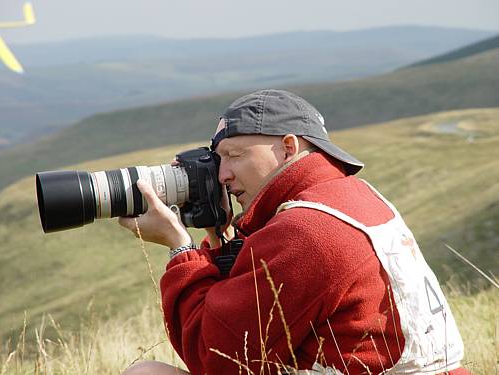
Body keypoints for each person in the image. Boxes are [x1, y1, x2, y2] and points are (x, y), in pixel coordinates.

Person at [119, 89, 469, 375]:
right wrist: (218, 233)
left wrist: (179, 248)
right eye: (219, 160)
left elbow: (218, 359)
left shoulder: (306, 230)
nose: (223, 175)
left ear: (288, 147)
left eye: (235, 155)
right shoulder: (353, 196)